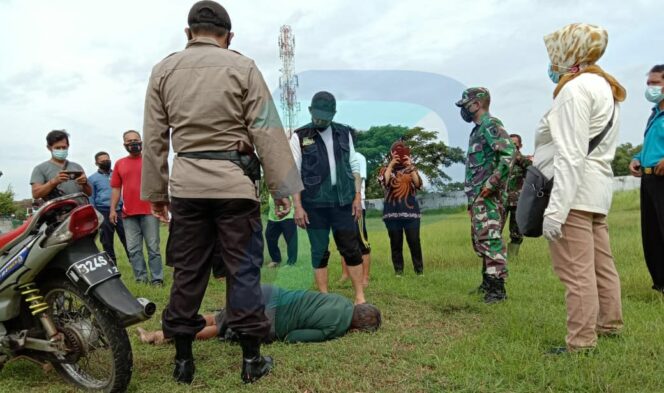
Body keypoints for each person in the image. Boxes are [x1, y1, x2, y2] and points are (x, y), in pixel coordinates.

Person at [140, 1, 303, 384]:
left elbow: (154, 137)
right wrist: (281, 187)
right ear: (229, 37)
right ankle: (251, 361)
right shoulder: (242, 66)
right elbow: (267, 129)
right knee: (243, 272)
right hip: (235, 187)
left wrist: (156, 192)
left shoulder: (163, 70)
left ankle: (183, 361)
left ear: (188, 33)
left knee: (187, 272)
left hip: (187, 187)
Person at [536, 23, 625, 353]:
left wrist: (555, 212)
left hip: (574, 192)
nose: (553, 61)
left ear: (569, 53)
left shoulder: (574, 90)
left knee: (576, 271)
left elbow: (571, 155)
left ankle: (581, 342)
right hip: (597, 191)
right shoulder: (605, 86)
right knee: (601, 264)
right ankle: (610, 324)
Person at [290, 91, 366, 304]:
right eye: (317, 116)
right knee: (319, 250)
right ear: (309, 111)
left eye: (325, 116)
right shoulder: (299, 136)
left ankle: (360, 295)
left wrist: (358, 196)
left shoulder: (344, 133)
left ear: (334, 113)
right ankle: (323, 297)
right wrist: (297, 206)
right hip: (313, 204)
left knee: (351, 248)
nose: (320, 120)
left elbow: (354, 165)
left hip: (343, 201)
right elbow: (293, 173)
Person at [136, 284, 381, 345]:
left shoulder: (341, 299)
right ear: (357, 329)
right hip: (270, 319)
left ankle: (167, 329)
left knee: (223, 316)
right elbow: (293, 337)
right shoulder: (335, 329)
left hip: (268, 291)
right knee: (220, 328)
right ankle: (161, 336)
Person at [456, 87, 515, 303]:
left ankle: (497, 291)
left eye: (465, 105)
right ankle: (487, 283)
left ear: (477, 104)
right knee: (481, 241)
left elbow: (509, 153)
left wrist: (493, 182)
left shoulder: (491, 125)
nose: (463, 110)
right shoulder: (477, 131)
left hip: (490, 196)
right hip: (479, 198)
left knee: (491, 240)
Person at [109, 130, 164, 286]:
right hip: (128, 214)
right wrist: (113, 209)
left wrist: (161, 204)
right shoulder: (120, 163)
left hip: (150, 211)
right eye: (129, 141)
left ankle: (157, 279)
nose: (133, 143)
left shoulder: (150, 160)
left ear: (141, 141)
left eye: (136, 140)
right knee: (133, 250)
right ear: (124, 144)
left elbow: (160, 182)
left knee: (153, 248)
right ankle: (141, 279)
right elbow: (116, 188)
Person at [629, 64, 664, 294]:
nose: (651, 88)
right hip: (649, 179)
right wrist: (636, 158)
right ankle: (661, 283)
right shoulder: (655, 114)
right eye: (649, 83)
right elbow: (651, 147)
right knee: (651, 233)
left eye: (656, 83)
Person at [378, 141, 424, 276]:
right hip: (392, 214)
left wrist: (411, 167)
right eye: (396, 152)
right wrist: (391, 166)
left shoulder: (411, 169)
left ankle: (419, 271)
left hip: (411, 213)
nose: (399, 154)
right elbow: (384, 183)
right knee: (396, 244)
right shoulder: (385, 169)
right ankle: (399, 272)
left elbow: (418, 184)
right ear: (391, 153)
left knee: (414, 242)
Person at [89, 151, 129, 264]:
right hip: (103, 211)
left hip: (119, 211)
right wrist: (96, 215)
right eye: (102, 161)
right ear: (97, 163)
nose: (106, 162)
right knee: (107, 241)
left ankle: (135, 264)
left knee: (127, 238)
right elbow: (91, 198)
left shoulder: (117, 174)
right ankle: (112, 265)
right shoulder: (92, 179)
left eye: (107, 160)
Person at [339, 147, 371, 287]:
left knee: (361, 242)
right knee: (343, 241)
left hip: (356, 205)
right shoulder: (337, 159)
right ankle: (345, 274)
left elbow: (357, 179)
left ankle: (365, 277)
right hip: (340, 206)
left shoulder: (358, 157)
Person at [31, 130, 92, 201]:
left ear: (68, 146)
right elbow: (36, 194)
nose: (61, 150)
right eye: (57, 148)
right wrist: (54, 182)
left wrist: (85, 184)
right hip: (57, 211)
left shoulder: (77, 167)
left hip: (80, 210)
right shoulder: (40, 169)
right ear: (49, 147)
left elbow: (89, 193)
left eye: (64, 147)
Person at [504, 134, 532, 257]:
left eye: (516, 145)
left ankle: (512, 258)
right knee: (494, 230)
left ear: (520, 145)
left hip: (518, 202)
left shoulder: (525, 160)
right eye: (511, 144)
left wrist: (518, 157)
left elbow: (531, 169)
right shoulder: (502, 160)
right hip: (502, 201)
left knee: (516, 233)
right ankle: (495, 258)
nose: (513, 147)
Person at [266, 195, 298, 268]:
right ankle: (276, 260)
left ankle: (291, 262)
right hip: (273, 216)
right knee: (269, 237)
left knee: (291, 240)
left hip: (288, 216)